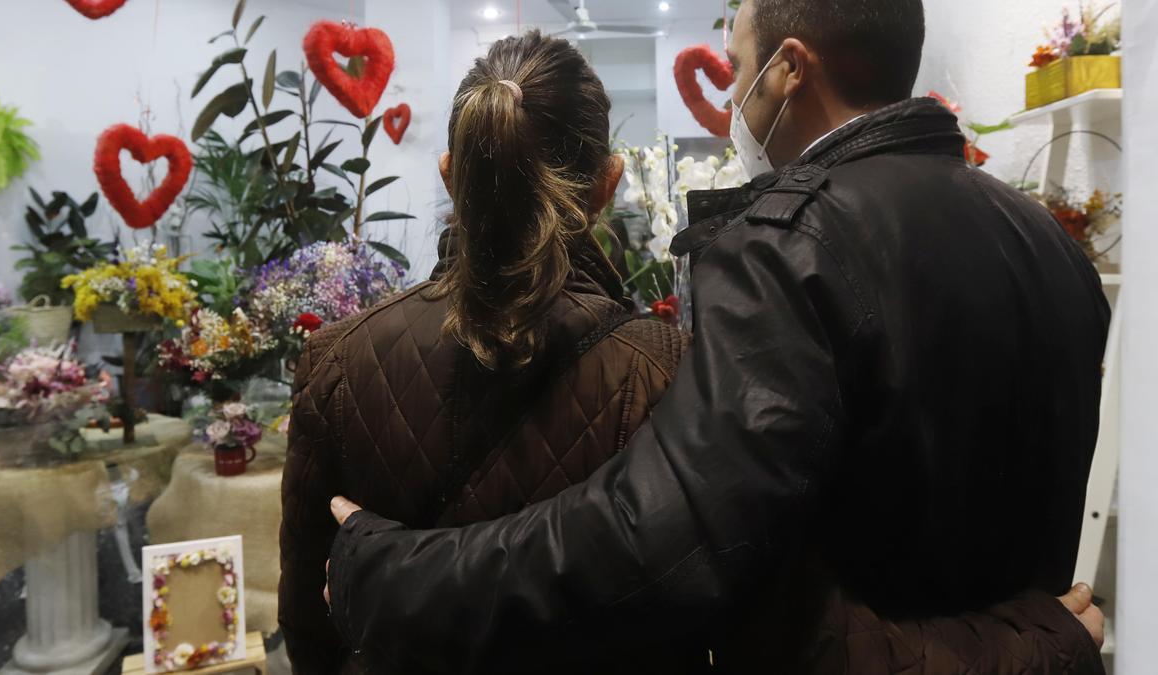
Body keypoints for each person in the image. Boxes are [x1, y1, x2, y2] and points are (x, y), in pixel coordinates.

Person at [286, 20, 1108, 675]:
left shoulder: (788, 246)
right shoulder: (1056, 245)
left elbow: (682, 565)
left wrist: (383, 573)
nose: (729, 99)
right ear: (609, 182)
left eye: (736, 61)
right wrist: (1033, 642)